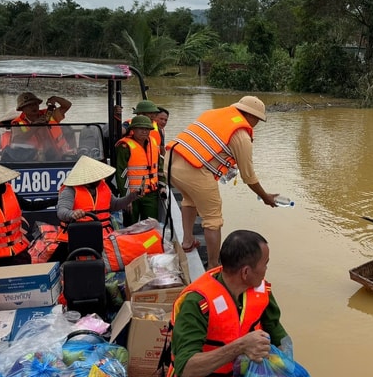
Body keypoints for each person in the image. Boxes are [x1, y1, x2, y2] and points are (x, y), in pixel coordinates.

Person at [158, 230, 290, 377]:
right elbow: (186, 368)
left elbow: (280, 338)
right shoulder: (198, 302)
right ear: (246, 272)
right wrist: (241, 346)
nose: (266, 269)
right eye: (265, 264)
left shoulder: (260, 291)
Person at [165, 96, 280, 268]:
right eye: (257, 119)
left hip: (170, 161)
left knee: (189, 199)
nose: (256, 124)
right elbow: (249, 176)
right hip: (193, 170)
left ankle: (188, 241)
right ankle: (213, 264)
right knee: (213, 219)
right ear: (250, 115)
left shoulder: (213, 114)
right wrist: (265, 196)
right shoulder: (241, 135)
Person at [57, 155, 138, 240]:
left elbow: (115, 205)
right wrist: (72, 214)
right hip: (78, 235)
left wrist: (132, 196)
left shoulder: (103, 186)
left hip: (104, 236)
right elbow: (61, 212)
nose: (99, 179)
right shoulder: (70, 190)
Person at [114, 116, 160, 226]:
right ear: (133, 130)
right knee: (131, 226)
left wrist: (162, 186)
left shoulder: (153, 143)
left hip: (150, 194)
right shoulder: (125, 146)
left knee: (150, 225)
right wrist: (126, 198)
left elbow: (160, 167)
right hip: (132, 195)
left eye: (147, 129)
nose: (144, 131)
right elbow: (121, 174)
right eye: (141, 128)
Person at [11, 92, 74, 160]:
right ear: (22, 109)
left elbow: (67, 105)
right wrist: (35, 126)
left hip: (61, 156)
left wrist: (55, 99)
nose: (33, 107)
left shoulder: (48, 114)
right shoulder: (17, 123)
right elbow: (17, 141)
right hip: (35, 159)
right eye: (29, 105)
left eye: (35, 104)